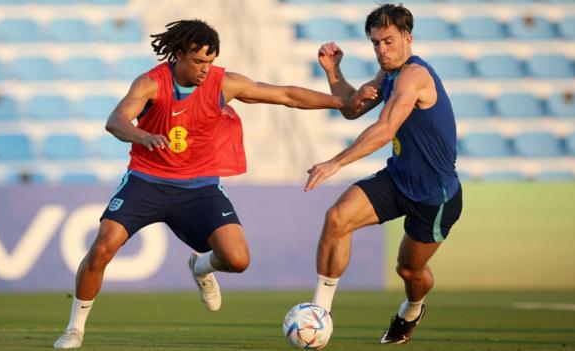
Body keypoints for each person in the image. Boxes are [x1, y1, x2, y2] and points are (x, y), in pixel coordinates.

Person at [53, 19, 374, 349]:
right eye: (198, 61)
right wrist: (143, 135)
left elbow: (286, 95)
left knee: (238, 260)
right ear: (178, 54)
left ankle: (200, 265)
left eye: (210, 61)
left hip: (200, 187)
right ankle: (75, 328)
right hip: (147, 181)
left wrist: (343, 103)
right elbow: (116, 121)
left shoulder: (224, 83)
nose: (206, 69)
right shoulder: (151, 83)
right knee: (102, 248)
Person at [305, 4, 463, 345]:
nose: (382, 50)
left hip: (434, 196)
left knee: (408, 270)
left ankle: (412, 309)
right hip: (397, 178)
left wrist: (335, 162)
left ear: (408, 38)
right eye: (376, 43)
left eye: (388, 41)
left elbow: (385, 127)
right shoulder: (387, 75)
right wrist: (333, 71)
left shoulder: (414, 75)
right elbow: (353, 107)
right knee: (336, 218)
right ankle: (318, 314)